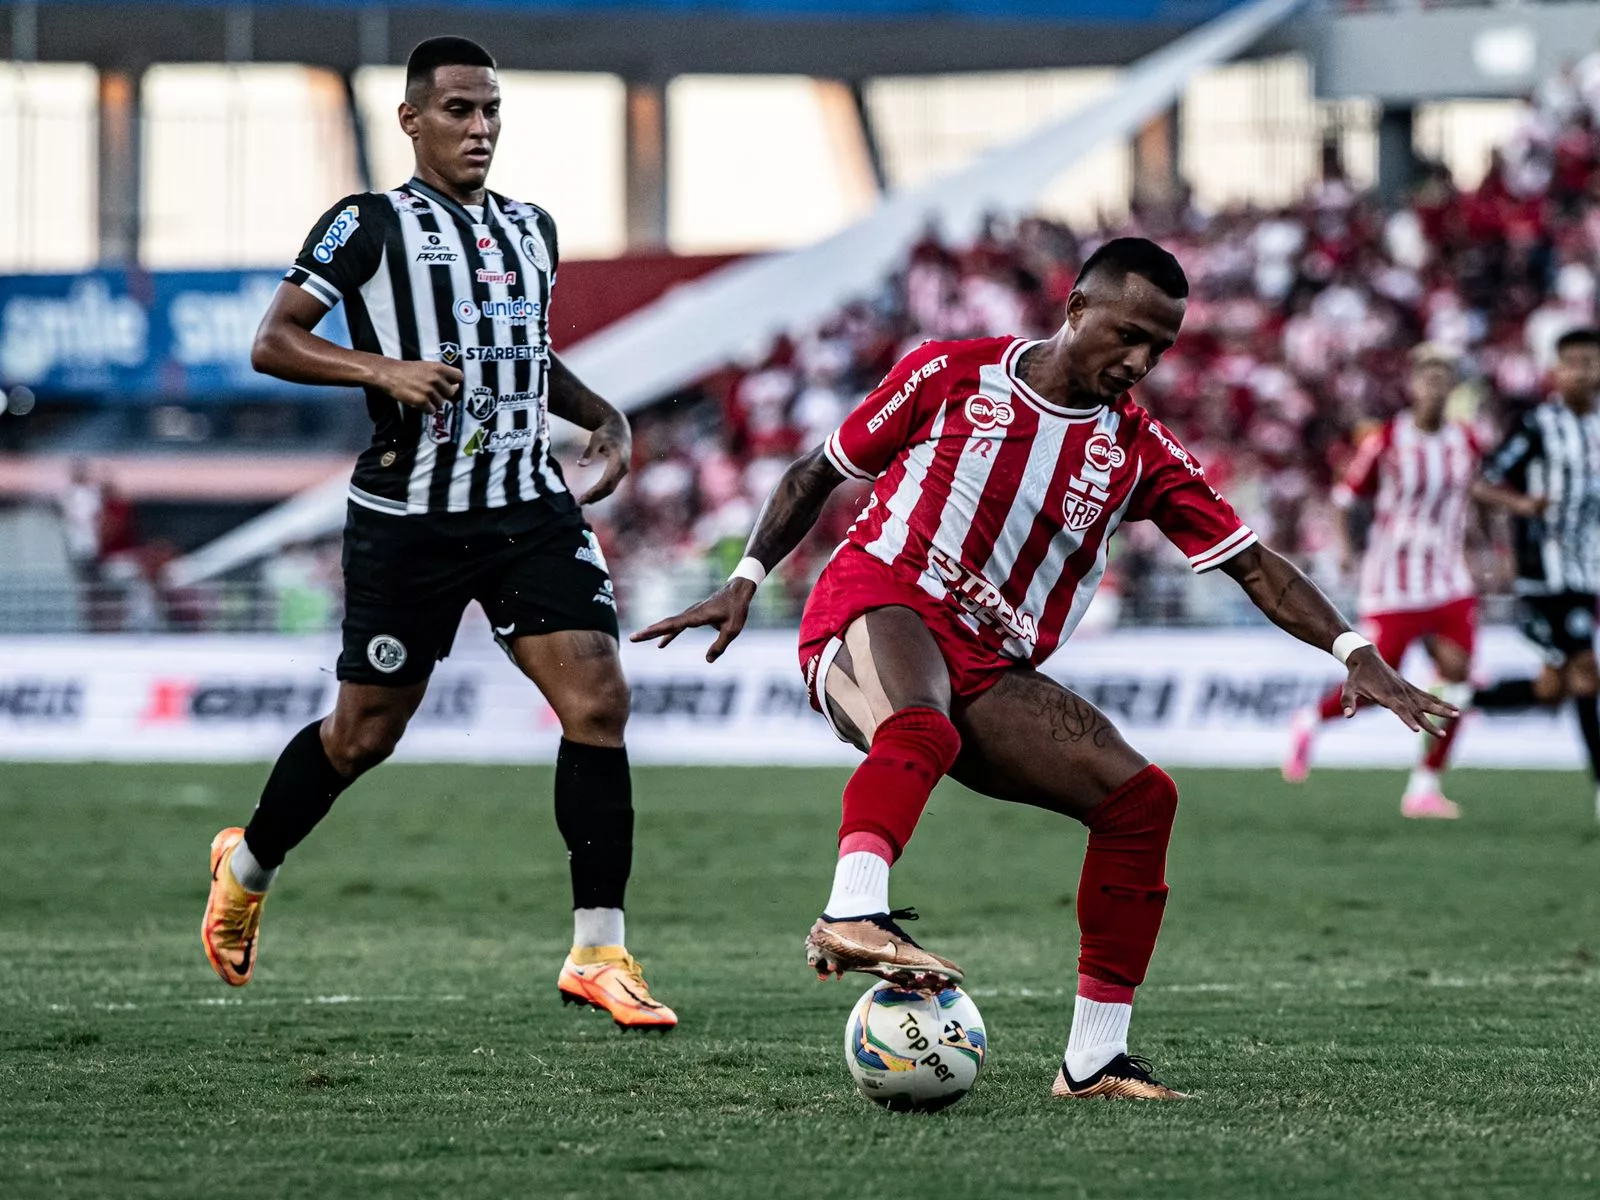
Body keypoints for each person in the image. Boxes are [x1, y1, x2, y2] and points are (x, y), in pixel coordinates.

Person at [634, 238, 1452, 1098]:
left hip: (991, 662)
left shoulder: (1139, 451)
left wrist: (1355, 652)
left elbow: (1255, 564)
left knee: (1141, 802)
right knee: (921, 723)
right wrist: (743, 578)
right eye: (1129, 334)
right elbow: (819, 471)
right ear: (1076, 311)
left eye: (1161, 348)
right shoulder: (950, 374)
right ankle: (851, 909)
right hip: (878, 600)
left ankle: (1093, 1060)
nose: (1139, 361)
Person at [201, 36, 676, 1030]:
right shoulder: (365, 225)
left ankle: (599, 951)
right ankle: (246, 869)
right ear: (413, 119)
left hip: (525, 506)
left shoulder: (531, 229)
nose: (480, 128)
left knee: (597, 697)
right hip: (408, 521)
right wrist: (384, 372)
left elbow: (526, 357)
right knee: (363, 734)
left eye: (491, 110)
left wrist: (606, 417)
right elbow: (272, 339)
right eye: (458, 110)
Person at [1283, 344, 1483, 817]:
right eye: (1426, 377)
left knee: (1459, 681)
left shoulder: (1467, 441)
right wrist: (1348, 551)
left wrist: (1486, 547)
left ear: (1452, 387)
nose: (1434, 387)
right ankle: (1309, 721)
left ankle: (1424, 786)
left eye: (1443, 378)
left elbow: (1467, 499)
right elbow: (1343, 498)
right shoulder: (1387, 441)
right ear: (1412, 385)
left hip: (1450, 581)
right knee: (1378, 685)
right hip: (1394, 582)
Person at [1471, 327, 1600, 819]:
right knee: (1586, 670)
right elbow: (1482, 484)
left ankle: (1464, 695)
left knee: (1553, 689)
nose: (1585, 372)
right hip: (1541, 574)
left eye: (1592, 362)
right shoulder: (1538, 426)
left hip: (1585, 573)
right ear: (1557, 371)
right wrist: (1521, 506)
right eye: (1576, 363)